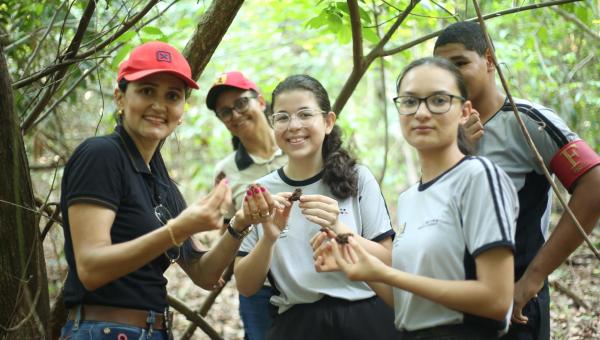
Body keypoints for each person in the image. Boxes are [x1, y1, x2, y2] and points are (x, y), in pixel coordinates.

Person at [59, 42, 256, 339]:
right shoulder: (101, 155)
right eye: (147, 91)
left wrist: (239, 225)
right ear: (120, 98)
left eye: (172, 96)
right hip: (103, 330)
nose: (159, 105)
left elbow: (203, 273)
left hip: (153, 331)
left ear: (182, 111)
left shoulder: (162, 184)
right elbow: (90, 268)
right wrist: (177, 229)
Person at [327, 56, 519, 339]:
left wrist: (386, 273)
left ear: (464, 111)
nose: (422, 113)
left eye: (439, 100)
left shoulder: (477, 176)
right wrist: (361, 268)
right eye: (410, 101)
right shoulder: (409, 198)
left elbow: (496, 299)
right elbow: (408, 303)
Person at [433, 21, 600, 340]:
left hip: (516, 303)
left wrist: (532, 279)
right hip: (453, 303)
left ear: (490, 60)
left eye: (460, 63)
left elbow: (594, 185)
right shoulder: (444, 133)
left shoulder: (528, 122)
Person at [233, 74, 400, 340]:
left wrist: (339, 229)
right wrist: (269, 239)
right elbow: (245, 284)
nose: (293, 126)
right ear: (272, 124)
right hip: (297, 324)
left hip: (366, 317)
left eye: (304, 114)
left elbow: (388, 260)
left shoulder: (358, 177)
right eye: (283, 117)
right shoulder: (261, 190)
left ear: (328, 121)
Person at [205, 71, 287, 340]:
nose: (236, 115)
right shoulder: (226, 171)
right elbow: (229, 227)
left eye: (241, 103)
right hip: (260, 284)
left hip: (311, 274)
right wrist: (217, 264)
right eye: (225, 112)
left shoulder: (296, 145)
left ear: (261, 101)